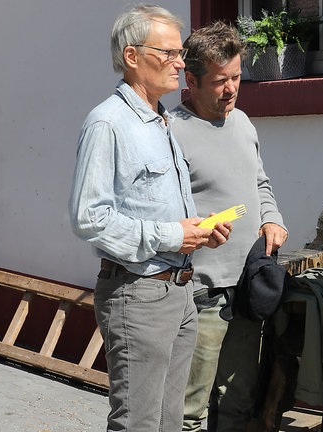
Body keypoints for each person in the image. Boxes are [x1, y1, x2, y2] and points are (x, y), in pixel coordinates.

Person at [68, 5, 231, 431]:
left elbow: (152, 204)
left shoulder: (159, 120)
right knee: (138, 423)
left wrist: (197, 229)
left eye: (182, 53)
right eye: (170, 53)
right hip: (137, 293)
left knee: (168, 422)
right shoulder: (109, 123)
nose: (181, 63)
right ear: (132, 56)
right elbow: (88, 217)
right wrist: (170, 235)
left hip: (178, 291)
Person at [171, 21, 288, 432]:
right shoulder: (171, 133)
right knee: (189, 410)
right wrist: (195, 227)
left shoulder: (241, 122)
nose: (231, 89)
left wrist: (271, 217)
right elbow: (161, 211)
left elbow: (259, 182)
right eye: (220, 80)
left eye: (236, 77)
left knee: (237, 403)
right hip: (201, 291)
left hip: (249, 284)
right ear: (192, 80)